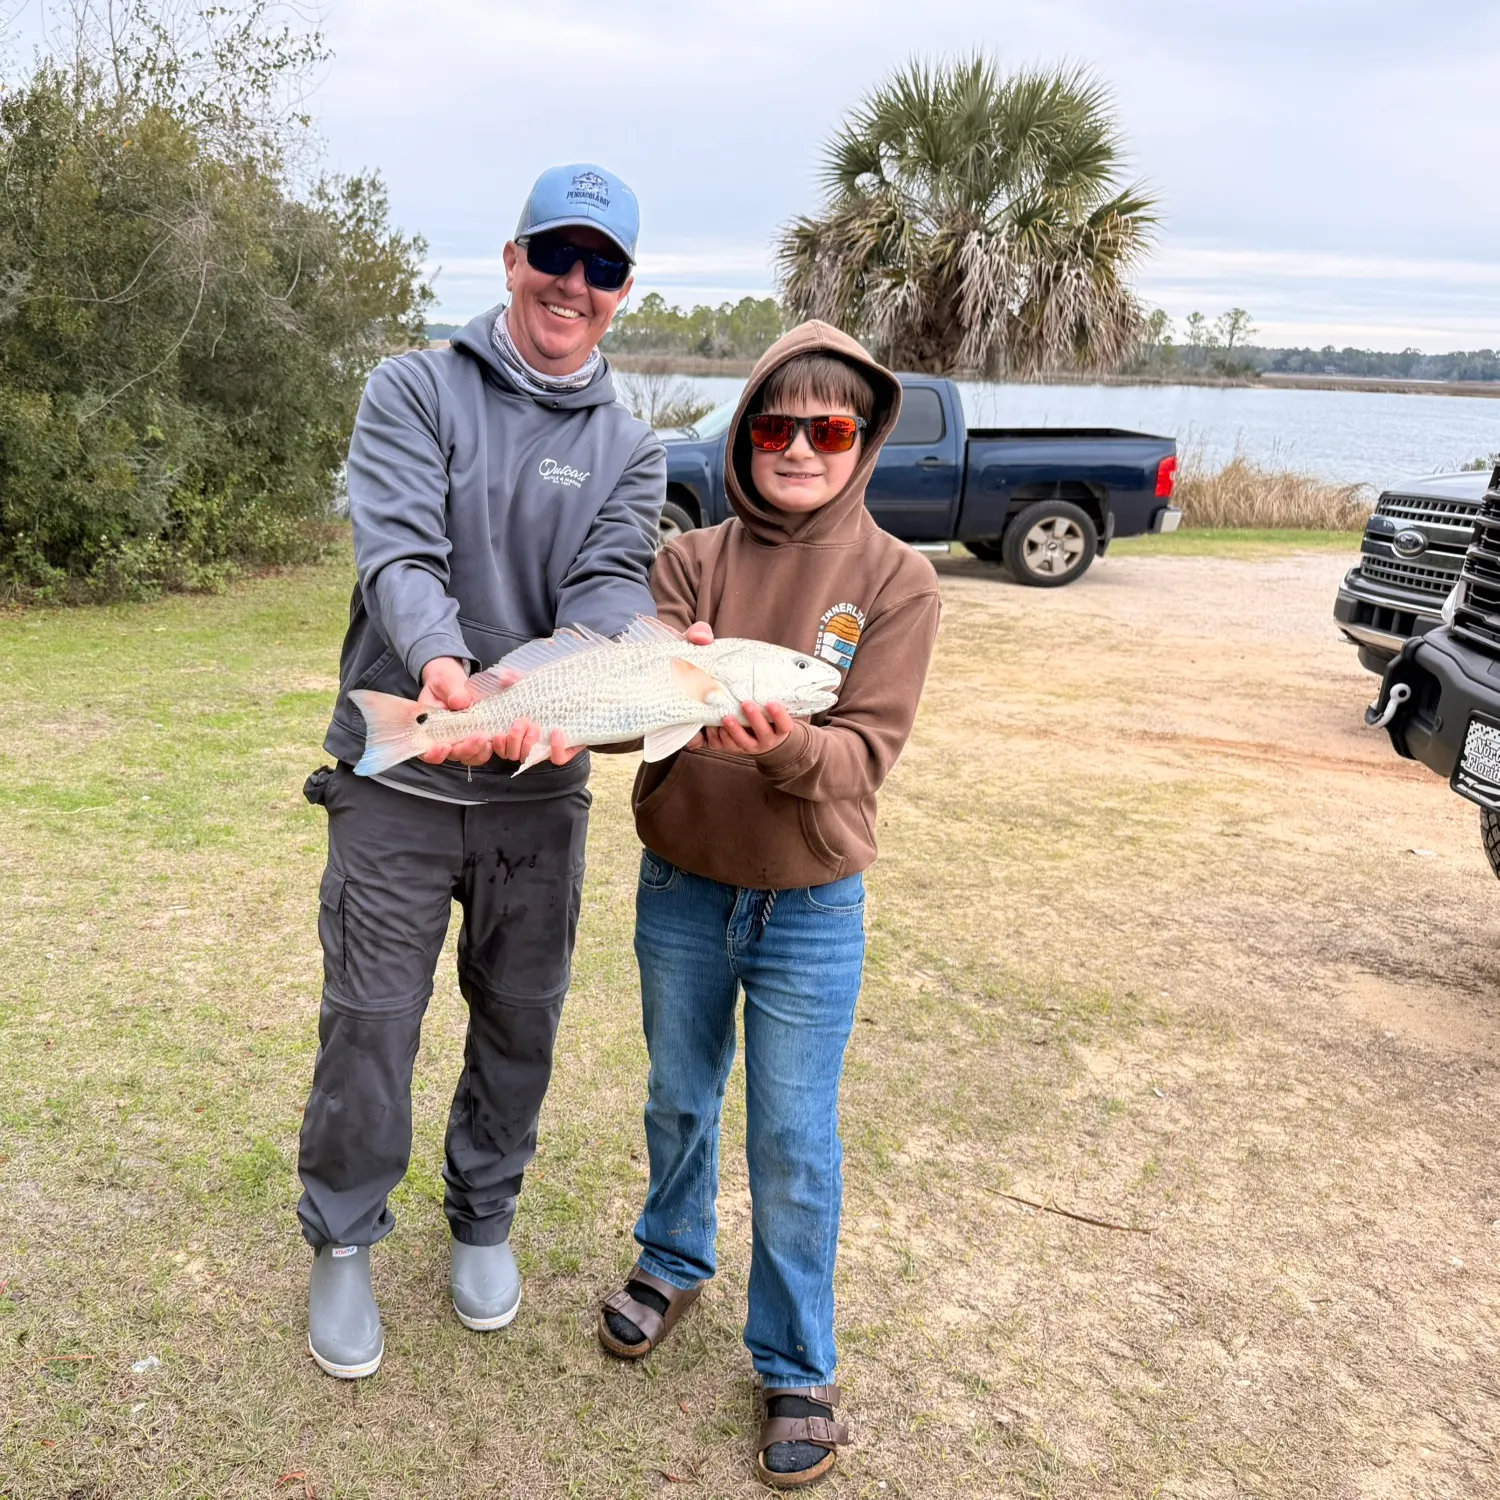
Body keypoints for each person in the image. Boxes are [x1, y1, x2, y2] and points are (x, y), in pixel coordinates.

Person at [298, 162, 675, 1380]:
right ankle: (344, 1239)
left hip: (538, 797)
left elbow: (613, 591)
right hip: (401, 776)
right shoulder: (412, 387)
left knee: (520, 1018)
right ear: (511, 259)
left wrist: (565, 686)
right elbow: (398, 551)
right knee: (372, 1023)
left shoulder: (633, 447)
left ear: (623, 290)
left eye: (603, 267)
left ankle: (485, 1218)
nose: (575, 284)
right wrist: (449, 672)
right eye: (556, 256)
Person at [596, 322, 942, 1487]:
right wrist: (625, 686)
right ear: (745, 434)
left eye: (828, 428)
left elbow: (865, 756)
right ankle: (670, 1259)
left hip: (809, 909)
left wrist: (787, 748)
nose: (799, 446)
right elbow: (621, 718)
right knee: (677, 1097)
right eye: (775, 424)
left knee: (795, 1139)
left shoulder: (899, 580)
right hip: (682, 887)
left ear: (863, 442)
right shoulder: (689, 560)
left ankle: (796, 1362)